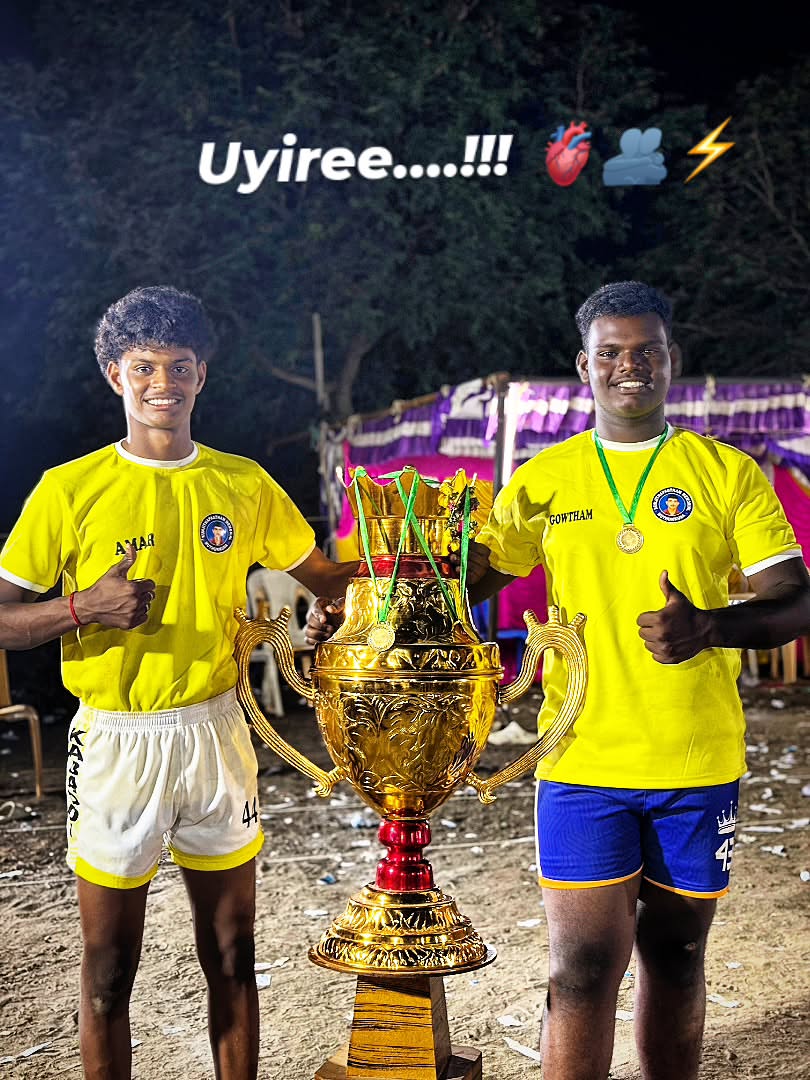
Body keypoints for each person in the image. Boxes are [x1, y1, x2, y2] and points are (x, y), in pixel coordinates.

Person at [307, 281, 810, 1080]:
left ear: (672, 359)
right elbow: (454, 585)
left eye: (646, 350)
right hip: (580, 763)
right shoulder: (545, 479)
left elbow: (794, 598)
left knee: (676, 959)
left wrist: (711, 626)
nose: (629, 366)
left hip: (695, 757)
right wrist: (362, 611)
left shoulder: (727, 473)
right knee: (580, 970)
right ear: (585, 365)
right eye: (611, 352)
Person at [0, 285, 359, 1080]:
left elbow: (324, 579)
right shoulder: (69, 488)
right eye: (143, 366)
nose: (162, 381)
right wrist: (82, 608)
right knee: (107, 972)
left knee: (233, 955)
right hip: (117, 743)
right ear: (114, 375)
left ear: (202, 375)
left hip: (216, 733)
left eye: (179, 365)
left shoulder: (243, 483)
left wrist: (396, 573)